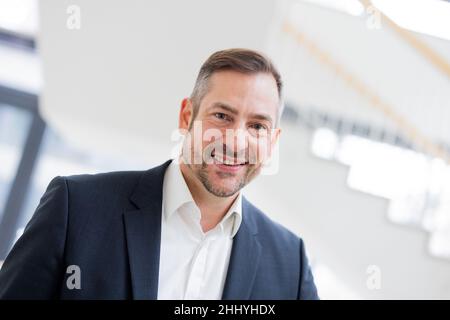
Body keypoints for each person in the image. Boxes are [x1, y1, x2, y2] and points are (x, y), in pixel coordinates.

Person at [0, 48, 318, 299]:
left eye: (257, 126)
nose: (236, 140)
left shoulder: (290, 264)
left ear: (272, 141)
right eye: (222, 116)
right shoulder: (77, 208)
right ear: (186, 116)